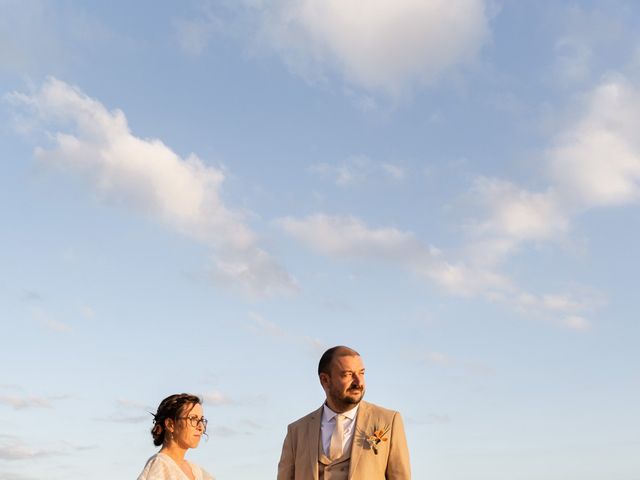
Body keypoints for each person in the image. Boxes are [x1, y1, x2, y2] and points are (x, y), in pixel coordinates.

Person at [277, 346, 411, 480]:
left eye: (361, 373)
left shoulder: (388, 421)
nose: (358, 382)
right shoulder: (296, 432)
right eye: (348, 374)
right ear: (325, 380)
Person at [138, 393, 214, 480]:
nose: (201, 427)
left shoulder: (197, 471)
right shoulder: (160, 465)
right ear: (170, 424)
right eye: (193, 418)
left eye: (201, 420)